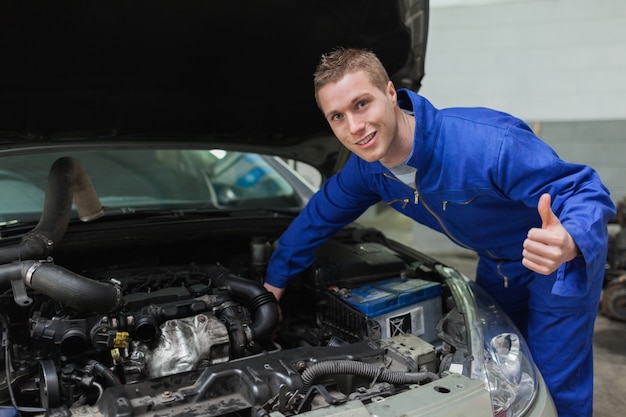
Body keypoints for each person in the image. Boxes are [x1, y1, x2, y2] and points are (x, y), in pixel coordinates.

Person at [263, 47, 615, 417]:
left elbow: (583, 189)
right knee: (500, 367)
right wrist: (273, 284)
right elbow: (316, 218)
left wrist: (571, 238)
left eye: (362, 104)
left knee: (557, 379)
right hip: (499, 265)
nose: (354, 127)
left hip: (557, 261)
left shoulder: (485, 143)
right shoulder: (368, 171)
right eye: (338, 116)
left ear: (390, 93)